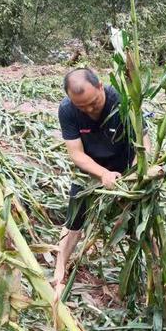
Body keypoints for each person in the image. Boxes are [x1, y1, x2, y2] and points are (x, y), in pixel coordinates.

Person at [54, 68, 150, 301]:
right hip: (91, 170)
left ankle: (154, 273)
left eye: (93, 103)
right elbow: (76, 154)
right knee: (74, 219)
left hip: (127, 168)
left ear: (100, 87)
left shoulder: (122, 101)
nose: (88, 110)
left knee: (141, 221)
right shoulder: (67, 110)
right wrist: (103, 174)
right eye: (82, 107)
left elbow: (143, 141)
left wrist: (138, 173)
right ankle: (59, 270)